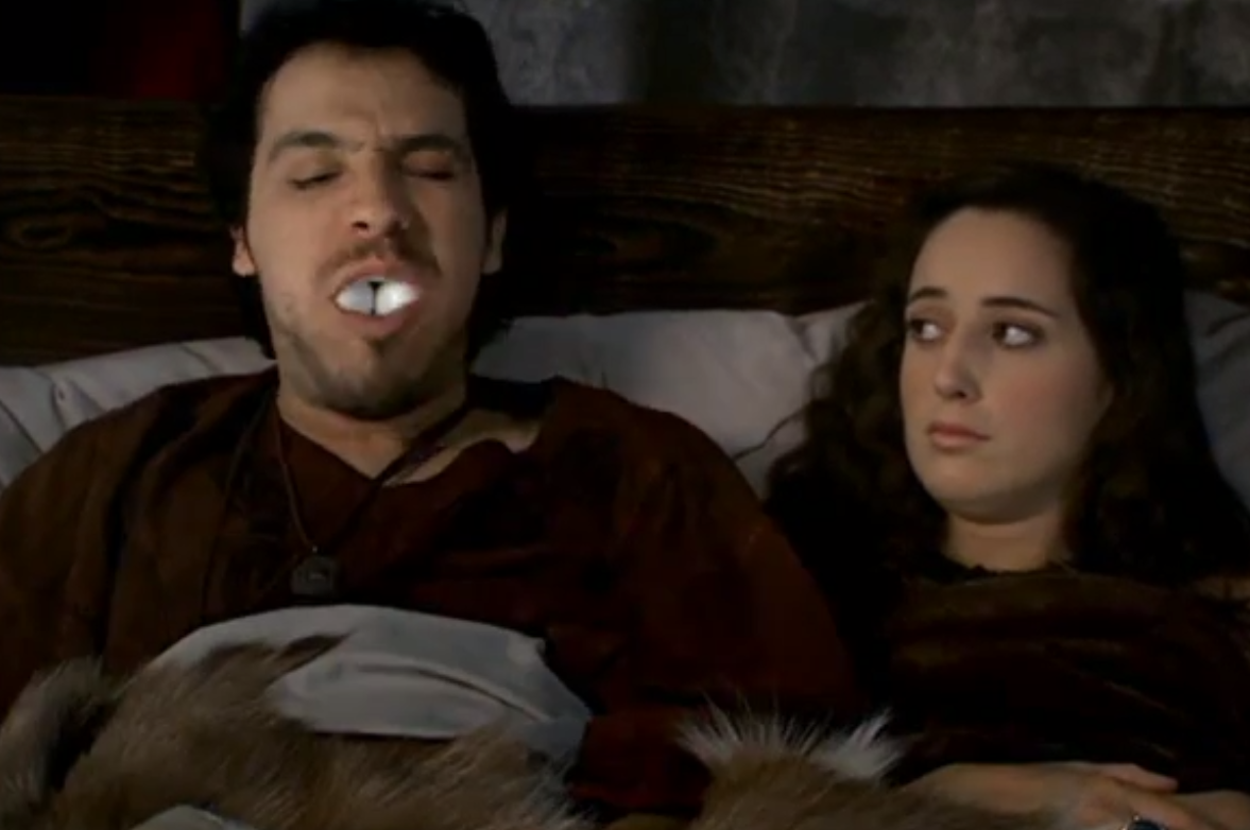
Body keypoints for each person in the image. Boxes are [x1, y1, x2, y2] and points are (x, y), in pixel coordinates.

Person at [0, 0, 866, 819]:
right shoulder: (119, 473)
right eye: (315, 174)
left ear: (491, 237)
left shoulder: (636, 471)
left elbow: (804, 768)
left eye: (429, 168)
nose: (378, 211)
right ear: (244, 242)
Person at [767, 162, 1250, 830]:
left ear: (1120, 372)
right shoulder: (788, 587)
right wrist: (934, 795)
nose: (949, 375)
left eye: (1012, 333)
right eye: (925, 327)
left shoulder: (1219, 622)